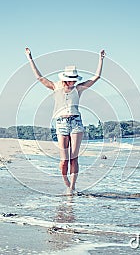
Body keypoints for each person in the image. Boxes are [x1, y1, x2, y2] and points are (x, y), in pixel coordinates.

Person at [25, 47, 106, 194]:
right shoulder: (55, 87)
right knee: (64, 161)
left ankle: (72, 187)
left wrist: (101, 59)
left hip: (76, 123)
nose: (73, 82)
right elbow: (39, 77)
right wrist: (30, 58)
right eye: (71, 80)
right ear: (65, 79)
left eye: (75, 79)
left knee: (74, 158)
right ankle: (66, 183)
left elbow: (96, 77)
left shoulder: (79, 88)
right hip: (61, 124)